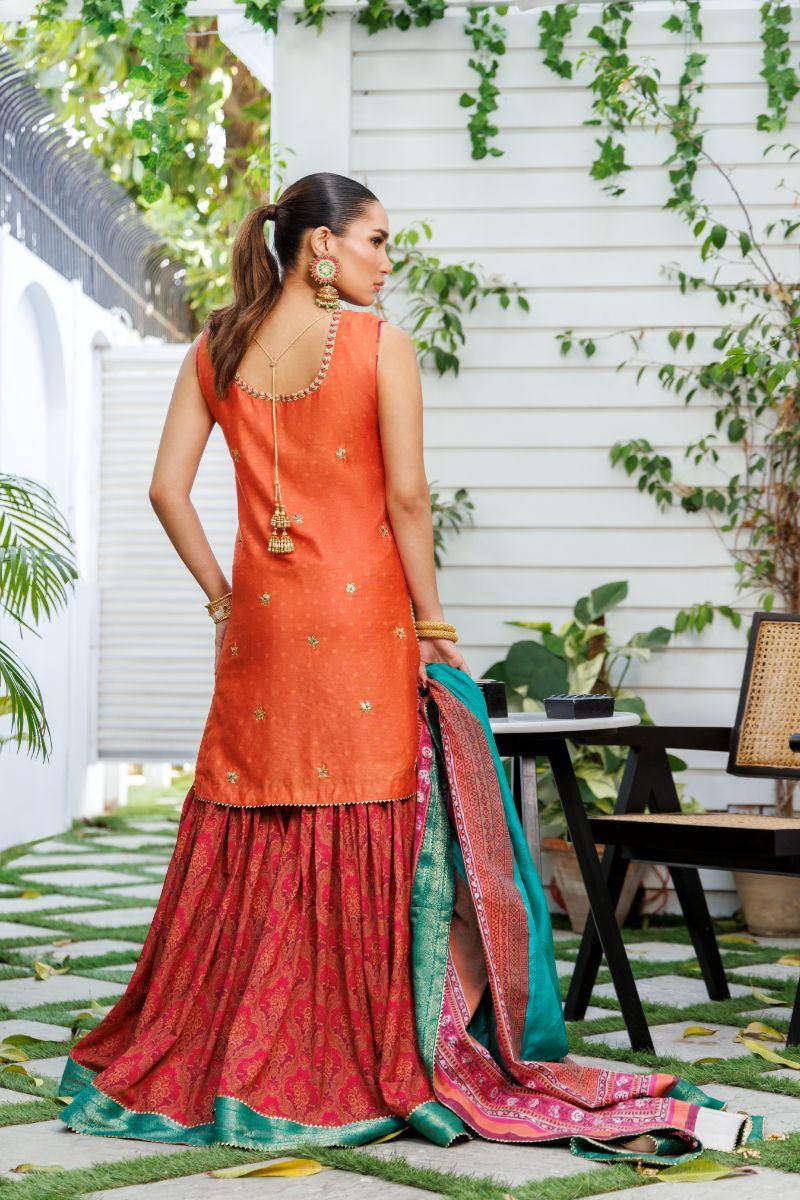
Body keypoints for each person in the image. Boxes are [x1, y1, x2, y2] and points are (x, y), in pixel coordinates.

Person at [59, 172, 761, 1164]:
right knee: (365, 812)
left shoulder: (214, 348)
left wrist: (223, 598)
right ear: (322, 246)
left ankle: (242, 1041)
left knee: (257, 806)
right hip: (361, 625)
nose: (388, 261)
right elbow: (407, 501)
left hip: (261, 628)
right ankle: (362, 1042)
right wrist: (433, 621)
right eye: (377, 240)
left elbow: (165, 490)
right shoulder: (379, 347)